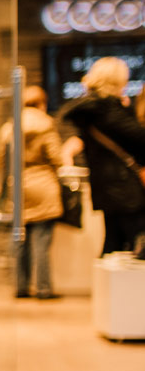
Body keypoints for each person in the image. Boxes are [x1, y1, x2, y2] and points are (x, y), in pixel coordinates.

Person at [59, 57, 145, 255]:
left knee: (115, 245)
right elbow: (139, 140)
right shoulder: (107, 111)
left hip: (110, 187)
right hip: (125, 187)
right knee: (133, 244)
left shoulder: (94, 110)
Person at [0, 86, 64, 298]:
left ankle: (20, 286)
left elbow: (2, 161)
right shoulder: (46, 125)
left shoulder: (9, 128)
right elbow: (57, 158)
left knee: (18, 240)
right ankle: (44, 288)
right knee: (41, 242)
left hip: (18, 187)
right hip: (43, 185)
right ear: (42, 103)